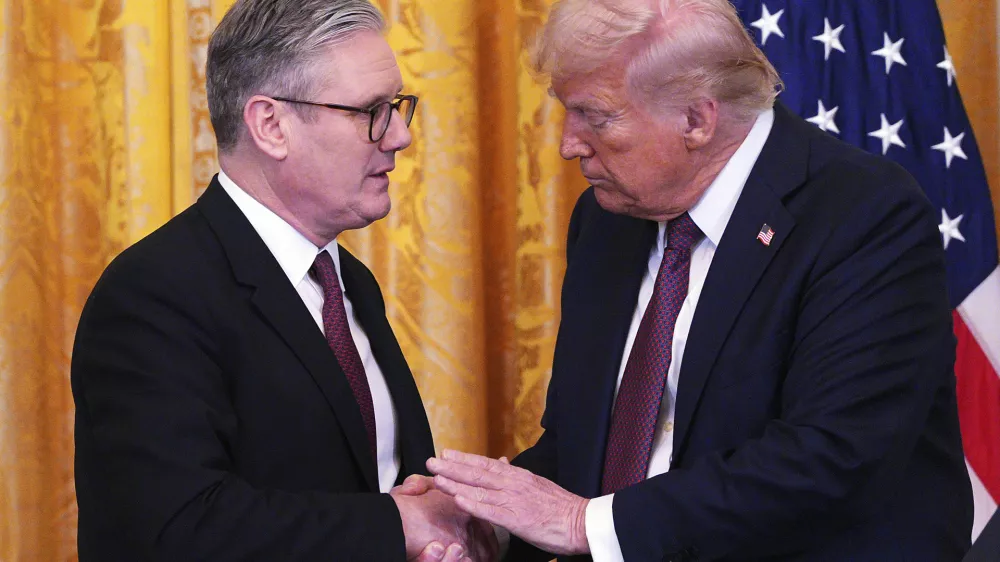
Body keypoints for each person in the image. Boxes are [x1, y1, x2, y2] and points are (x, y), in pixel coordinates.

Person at [426, 0, 974, 560]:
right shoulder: (607, 220)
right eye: (566, 111)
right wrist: (484, 522)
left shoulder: (863, 216)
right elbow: (585, 445)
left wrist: (581, 526)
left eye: (596, 116)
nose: (569, 144)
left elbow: (828, 459)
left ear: (696, 120)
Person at [71, 1, 494, 560]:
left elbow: (381, 485)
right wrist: (396, 525)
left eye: (396, 107)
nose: (398, 136)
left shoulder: (351, 283)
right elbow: (174, 528)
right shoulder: (153, 295)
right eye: (370, 110)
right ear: (271, 125)